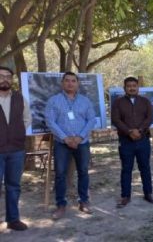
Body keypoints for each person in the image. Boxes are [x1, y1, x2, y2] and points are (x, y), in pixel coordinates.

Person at [45, 72, 96, 219]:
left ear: (77, 83)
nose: (70, 83)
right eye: (67, 81)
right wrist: (65, 138)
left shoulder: (85, 101)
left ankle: (84, 202)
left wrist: (80, 137)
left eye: (73, 81)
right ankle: (61, 205)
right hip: (62, 143)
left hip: (82, 142)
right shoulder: (53, 101)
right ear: (62, 83)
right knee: (60, 174)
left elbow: (91, 120)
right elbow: (50, 121)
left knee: (83, 172)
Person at [111, 77, 153, 207]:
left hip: (143, 140)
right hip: (126, 141)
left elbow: (149, 118)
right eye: (129, 86)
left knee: (145, 168)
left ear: (138, 87)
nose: (132, 88)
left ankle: (148, 193)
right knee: (126, 169)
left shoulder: (145, 101)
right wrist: (129, 131)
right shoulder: (118, 102)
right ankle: (125, 196)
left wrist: (140, 130)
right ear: (124, 88)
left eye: (134, 85)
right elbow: (116, 119)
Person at [0, 66, 31, 231]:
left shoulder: (19, 98)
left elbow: (27, 119)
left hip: (16, 150)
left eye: (8, 76)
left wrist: (16, 133)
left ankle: (13, 219)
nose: (5, 79)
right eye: (1, 76)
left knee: (14, 186)